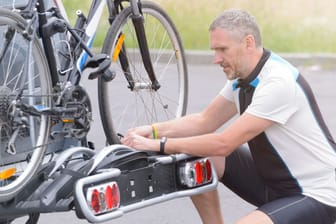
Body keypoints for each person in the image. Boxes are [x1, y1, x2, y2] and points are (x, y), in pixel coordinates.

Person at [121, 9, 336, 224]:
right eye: (214, 50)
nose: (216, 59)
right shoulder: (244, 76)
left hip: (318, 194)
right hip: (277, 184)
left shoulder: (277, 82)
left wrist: (159, 144)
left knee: (204, 147)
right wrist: (152, 130)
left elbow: (224, 143)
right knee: (197, 154)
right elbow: (204, 121)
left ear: (248, 43)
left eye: (223, 50)